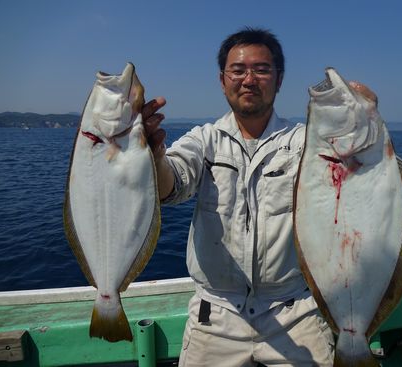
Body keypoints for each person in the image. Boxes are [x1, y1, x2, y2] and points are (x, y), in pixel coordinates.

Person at [142, 27, 375, 367]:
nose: (249, 79)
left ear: (279, 80)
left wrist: (365, 120)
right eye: (238, 70)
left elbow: (357, 174)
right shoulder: (204, 140)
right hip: (216, 315)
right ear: (222, 80)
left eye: (261, 69)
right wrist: (153, 153)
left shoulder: (306, 143)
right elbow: (171, 186)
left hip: (297, 311)